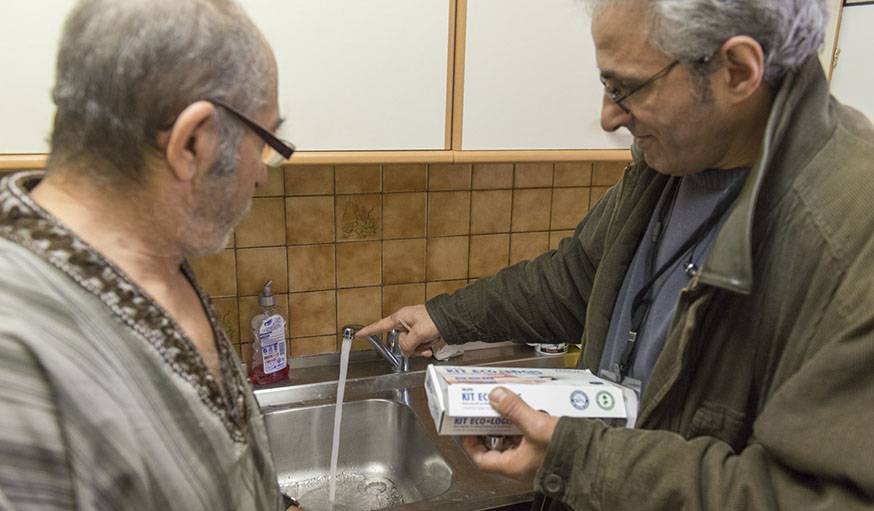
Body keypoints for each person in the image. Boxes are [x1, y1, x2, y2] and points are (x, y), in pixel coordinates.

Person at [358, 0, 874, 509]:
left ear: (736, 71)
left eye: (625, 88)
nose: (608, 118)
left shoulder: (849, 237)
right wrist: (446, 317)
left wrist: (579, 461)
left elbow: (811, 497)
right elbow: (577, 281)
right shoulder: (672, 160)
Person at [0, 0, 301, 509]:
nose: (262, 173)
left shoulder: (155, 259)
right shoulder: (16, 361)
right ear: (191, 145)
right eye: (265, 142)